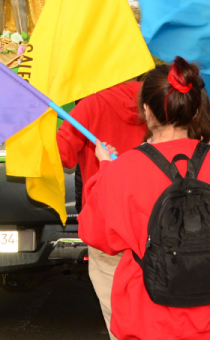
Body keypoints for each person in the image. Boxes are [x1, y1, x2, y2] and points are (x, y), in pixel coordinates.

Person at [80, 58, 210, 340]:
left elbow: (95, 234)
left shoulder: (122, 170)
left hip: (153, 324)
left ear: (146, 110)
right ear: (194, 109)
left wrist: (105, 168)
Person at [56, 79, 149, 339]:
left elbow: (62, 154)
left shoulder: (91, 105)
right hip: (154, 223)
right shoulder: (156, 97)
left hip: (107, 227)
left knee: (117, 316)